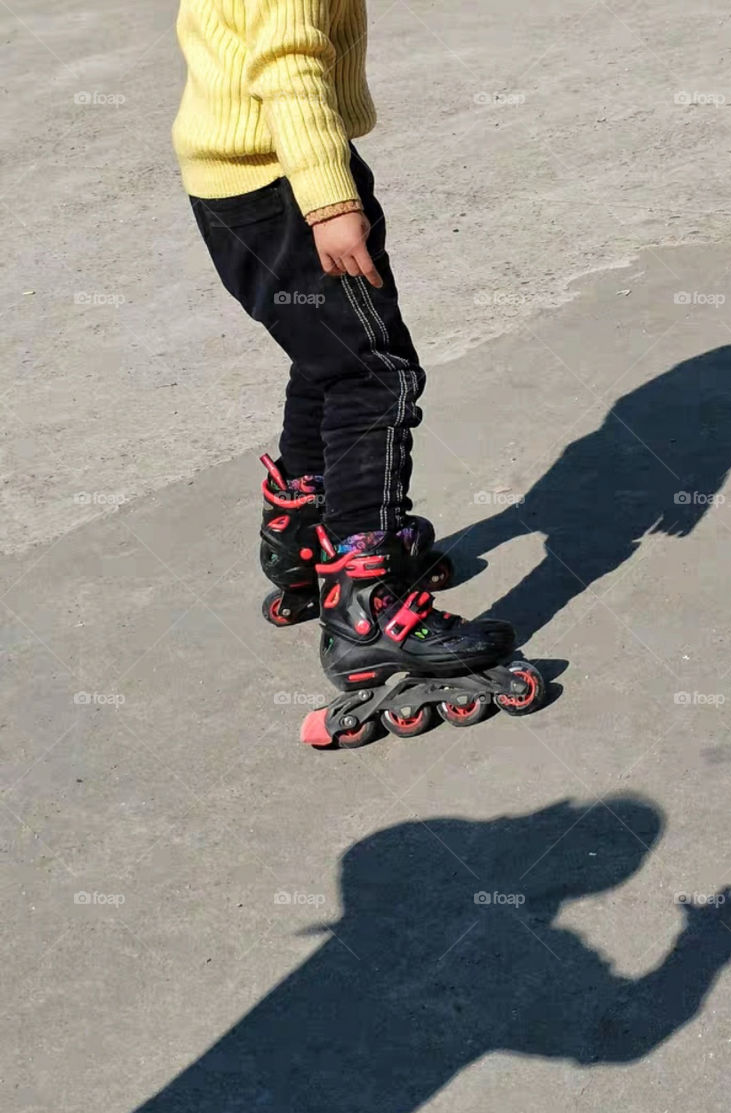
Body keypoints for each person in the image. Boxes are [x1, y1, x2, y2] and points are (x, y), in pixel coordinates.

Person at [172, 0, 542, 745]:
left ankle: (306, 532)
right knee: (375, 377)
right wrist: (331, 200)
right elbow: (288, 61)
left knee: (327, 358)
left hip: (237, 178)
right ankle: (367, 605)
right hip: (285, 179)